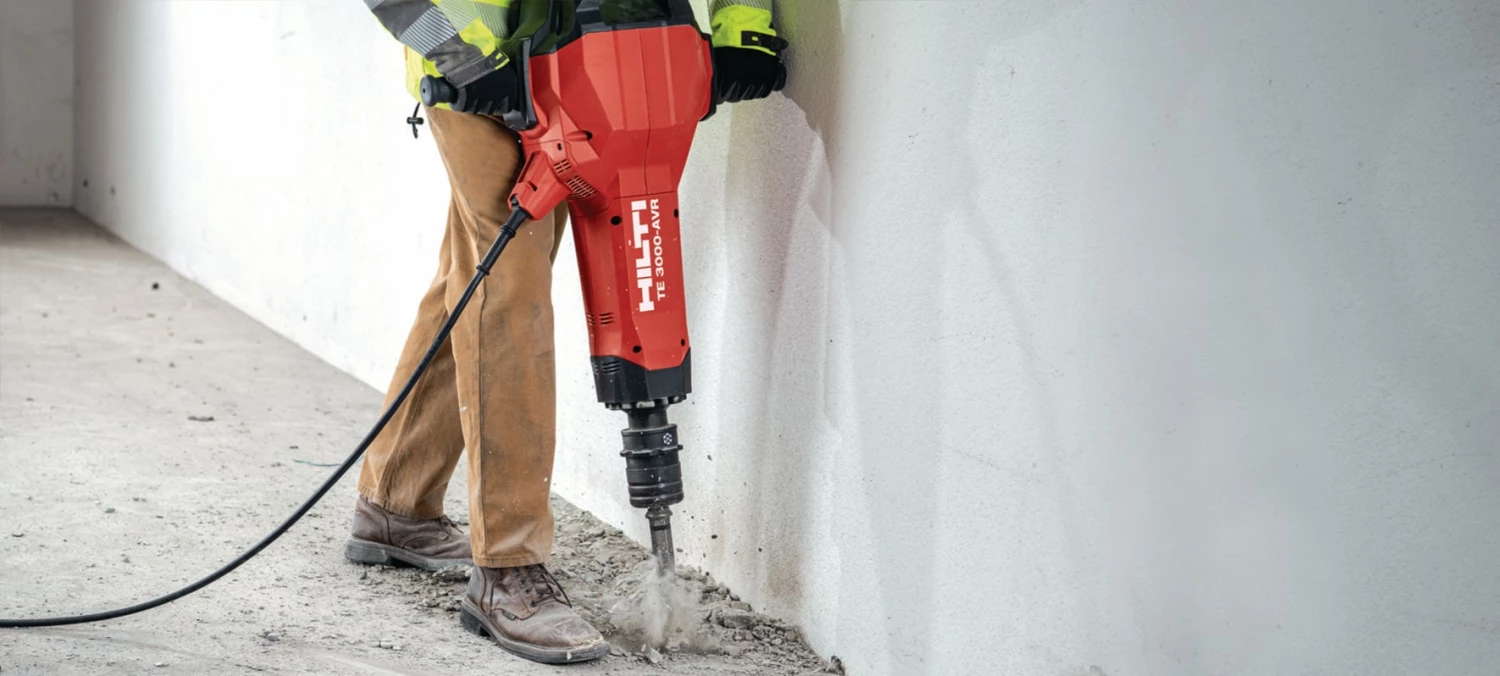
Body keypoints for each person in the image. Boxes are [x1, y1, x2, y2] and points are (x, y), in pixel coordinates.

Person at [347, 0, 787, 665]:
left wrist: (742, 28)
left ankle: (396, 503)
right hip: (488, 69)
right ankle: (507, 569)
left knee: (476, 281)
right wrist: (464, 57)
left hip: (617, 55)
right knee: (508, 298)